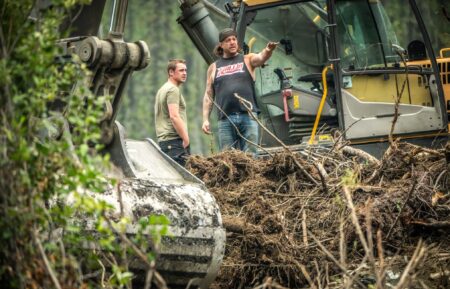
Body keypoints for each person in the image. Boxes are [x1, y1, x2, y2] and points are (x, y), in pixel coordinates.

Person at [201, 28, 278, 153]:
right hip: (225, 119)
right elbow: (208, 95)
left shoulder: (248, 59)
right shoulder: (213, 67)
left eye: (234, 39)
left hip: (248, 116)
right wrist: (205, 119)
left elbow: (261, 57)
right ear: (221, 45)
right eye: (228, 40)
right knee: (227, 157)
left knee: (251, 155)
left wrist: (268, 50)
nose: (232, 42)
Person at [155, 59, 190, 166]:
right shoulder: (173, 90)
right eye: (181, 70)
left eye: (185, 70)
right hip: (174, 142)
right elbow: (174, 116)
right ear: (171, 72)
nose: (184, 73)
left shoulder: (163, 89)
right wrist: (186, 139)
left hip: (165, 142)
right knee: (183, 179)